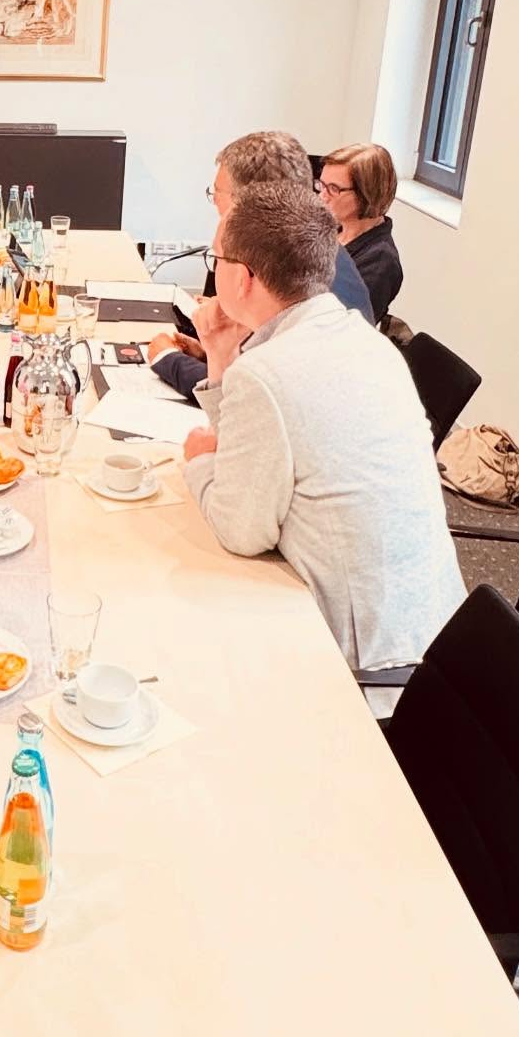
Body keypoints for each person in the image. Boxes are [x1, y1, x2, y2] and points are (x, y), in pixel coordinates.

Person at [180, 184, 464, 684]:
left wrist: (200, 460)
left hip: (366, 669)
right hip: (439, 641)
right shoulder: (367, 342)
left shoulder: (268, 373)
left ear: (243, 278)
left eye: (216, 258)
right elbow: (255, 451)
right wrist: (221, 355)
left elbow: (240, 530)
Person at [148, 130, 374, 401]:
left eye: (218, 192)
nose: (215, 201)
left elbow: (252, 394)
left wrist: (169, 360)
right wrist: (212, 350)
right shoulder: (312, 249)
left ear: (251, 202)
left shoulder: (292, 273)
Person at [318, 142, 404, 324]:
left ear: (367, 193)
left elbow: (342, 327)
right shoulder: (333, 228)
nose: (322, 196)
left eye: (333, 189)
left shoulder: (380, 264)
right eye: (321, 185)